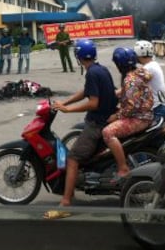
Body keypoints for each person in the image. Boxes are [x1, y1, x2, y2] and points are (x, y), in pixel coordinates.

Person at [44, 39, 118, 218]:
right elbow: (86, 92)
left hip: (97, 124)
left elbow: (93, 102)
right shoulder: (100, 69)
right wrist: (65, 102)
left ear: (78, 56)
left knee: (72, 158)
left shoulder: (92, 73)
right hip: (106, 119)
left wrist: (68, 110)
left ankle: (66, 204)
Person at [102, 47, 154, 182]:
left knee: (107, 132)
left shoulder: (129, 80)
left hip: (139, 118)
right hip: (144, 113)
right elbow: (129, 92)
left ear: (119, 65)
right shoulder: (138, 72)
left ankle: (123, 168)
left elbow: (131, 106)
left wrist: (117, 116)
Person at [134, 40, 165, 119]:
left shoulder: (147, 68)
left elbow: (130, 85)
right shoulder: (153, 64)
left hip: (155, 110)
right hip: (161, 107)